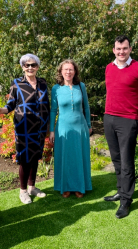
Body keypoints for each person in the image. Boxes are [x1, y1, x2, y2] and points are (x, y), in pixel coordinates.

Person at [103, 35, 138, 219]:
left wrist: (137, 114)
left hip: (128, 120)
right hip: (109, 117)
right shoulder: (109, 68)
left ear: (130, 49)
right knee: (116, 159)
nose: (121, 52)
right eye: (118, 48)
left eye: (125, 48)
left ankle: (126, 200)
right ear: (114, 50)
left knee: (126, 161)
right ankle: (120, 191)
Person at [0, 54, 50, 204]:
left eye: (33, 65)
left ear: (38, 67)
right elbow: (11, 105)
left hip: (40, 127)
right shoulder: (17, 84)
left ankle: (32, 187)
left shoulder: (43, 83)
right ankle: (23, 191)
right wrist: (2, 110)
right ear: (22, 67)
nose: (30, 68)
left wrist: (48, 126)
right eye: (27, 65)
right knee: (25, 160)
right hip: (24, 128)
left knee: (35, 158)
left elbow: (47, 104)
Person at [49, 60, 92, 198]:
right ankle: (65, 186)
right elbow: (53, 110)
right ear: (61, 72)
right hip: (63, 129)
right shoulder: (56, 88)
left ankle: (80, 186)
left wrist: (89, 125)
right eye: (66, 69)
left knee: (79, 156)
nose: (68, 72)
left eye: (71, 69)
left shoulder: (81, 86)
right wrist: (51, 130)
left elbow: (86, 107)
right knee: (65, 157)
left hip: (80, 127)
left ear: (75, 72)